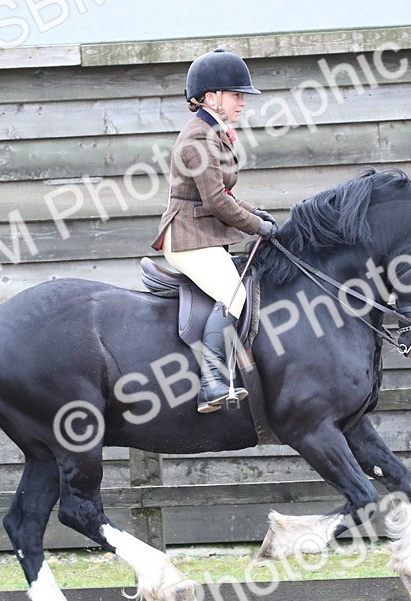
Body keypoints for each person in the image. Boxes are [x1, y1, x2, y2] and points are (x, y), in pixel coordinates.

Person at [151, 47, 278, 414]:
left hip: (204, 235)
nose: (242, 102)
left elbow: (225, 194)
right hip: (189, 238)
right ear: (211, 97)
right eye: (236, 95)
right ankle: (212, 383)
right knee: (233, 294)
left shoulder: (212, 131)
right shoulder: (198, 139)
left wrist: (259, 214)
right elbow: (216, 203)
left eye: (242, 96)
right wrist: (256, 226)